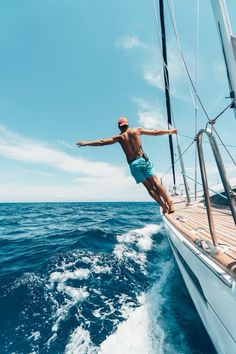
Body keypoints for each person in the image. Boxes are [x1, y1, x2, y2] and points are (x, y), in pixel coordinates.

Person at [76, 117, 177, 213]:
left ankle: (164, 207)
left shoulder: (119, 137)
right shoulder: (136, 130)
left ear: (119, 127)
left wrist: (86, 143)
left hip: (133, 165)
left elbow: (102, 142)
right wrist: (170, 131)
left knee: (149, 188)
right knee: (156, 182)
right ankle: (170, 204)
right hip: (142, 160)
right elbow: (155, 132)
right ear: (128, 125)